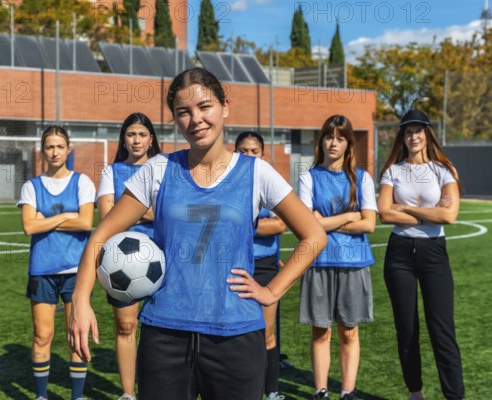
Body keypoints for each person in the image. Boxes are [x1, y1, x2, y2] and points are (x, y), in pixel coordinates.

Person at [68, 67, 327, 400]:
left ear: (224, 107)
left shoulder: (257, 172)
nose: (196, 119)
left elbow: (314, 235)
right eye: (183, 112)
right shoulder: (159, 168)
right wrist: (80, 298)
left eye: (204, 107)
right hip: (165, 335)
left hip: (236, 335)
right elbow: (101, 233)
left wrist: (273, 290)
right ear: (175, 119)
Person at [378, 110, 464, 400]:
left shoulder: (444, 170)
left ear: (428, 134)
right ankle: (416, 393)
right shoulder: (392, 170)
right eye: (407, 131)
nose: (413, 136)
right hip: (399, 254)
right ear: (402, 136)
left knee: (442, 329)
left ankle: (455, 396)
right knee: (407, 328)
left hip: (433, 253)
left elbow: (449, 216)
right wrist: (429, 215)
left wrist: (407, 208)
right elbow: (385, 214)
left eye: (418, 130)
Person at [297, 115, 377, 400]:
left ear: (348, 143)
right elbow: (306, 224)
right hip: (318, 261)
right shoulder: (308, 177)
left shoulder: (362, 178)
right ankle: (321, 391)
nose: (333, 143)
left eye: (340, 138)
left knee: (349, 332)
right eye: (329, 137)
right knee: (321, 332)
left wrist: (324, 220)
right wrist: (347, 216)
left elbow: (369, 224)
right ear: (321, 140)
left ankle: (347, 392)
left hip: (354, 263)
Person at [18, 126, 95, 400]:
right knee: (42, 335)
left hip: (77, 271)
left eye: (60, 146)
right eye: (49, 147)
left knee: (76, 335)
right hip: (42, 270)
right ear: (43, 151)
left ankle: (76, 397)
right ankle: (41, 396)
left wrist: (46, 221)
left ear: (68, 150)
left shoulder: (82, 182)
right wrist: (66, 216)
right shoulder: (32, 186)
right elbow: (28, 226)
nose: (55, 152)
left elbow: (86, 221)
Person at [96, 112, 162, 400]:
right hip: (120, 263)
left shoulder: (165, 169)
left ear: (151, 139)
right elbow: (107, 217)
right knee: (126, 328)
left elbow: (167, 216)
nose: (136, 140)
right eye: (131, 134)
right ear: (124, 138)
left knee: (163, 330)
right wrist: (145, 212)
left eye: (142, 135)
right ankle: (127, 393)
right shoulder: (111, 171)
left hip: (161, 260)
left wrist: (128, 211)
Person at [235, 131, 287, 400]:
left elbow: (279, 224)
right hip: (234, 265)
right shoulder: (226, 183)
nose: (248, 156)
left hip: (265, 265)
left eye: (254, 151)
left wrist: (241, 225)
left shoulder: (270, 182)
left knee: (266, 332)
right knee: (237, 331)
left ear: (263, 155)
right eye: (243, 151)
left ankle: (272, 390)